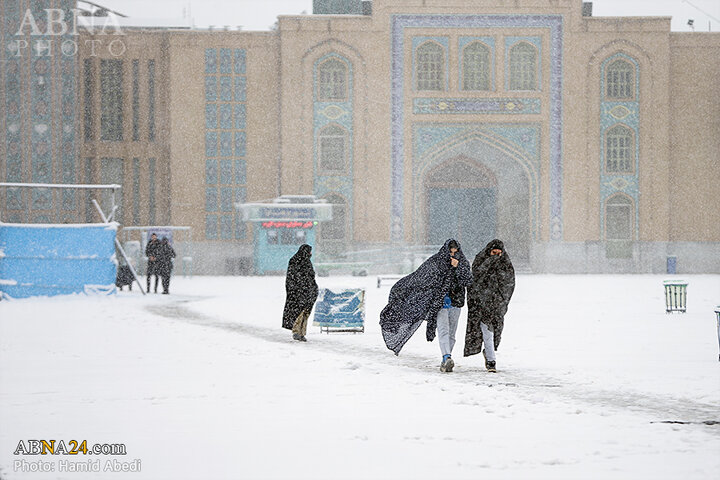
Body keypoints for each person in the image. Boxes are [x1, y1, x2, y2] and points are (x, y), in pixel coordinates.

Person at [380, 239, 471, 357]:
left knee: (452, 334)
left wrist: (457, 267)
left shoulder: (463, 263)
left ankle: (448, 354)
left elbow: (467, 280)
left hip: (456, 302)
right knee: (444, 330)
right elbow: (421, 277)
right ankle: (446, 356)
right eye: (450, 253)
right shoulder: (436, 262)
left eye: (455, 252)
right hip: (440, 302)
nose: (453, 255)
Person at [464, 239, 516, 373]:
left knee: (496, 331)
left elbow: (509, 281)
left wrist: (502, 299)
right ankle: (491, 361)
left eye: (499, 253)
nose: (496, 256)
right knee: (487, 331)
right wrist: (490, 261)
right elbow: (476, 276)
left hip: (497, 304)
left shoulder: (505, 263)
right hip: (482, 303)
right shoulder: (481, 259)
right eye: (493, 253)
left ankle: (489, 352)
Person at [282, 244, 319, 342]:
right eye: (309, 251)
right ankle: (296, 332)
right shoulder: (295, 261)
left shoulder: (306, 261)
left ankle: (302, 332)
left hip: (308, 292)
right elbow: (294, 277)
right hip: (298, 292)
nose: (311, 254)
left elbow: (310, 277)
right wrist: (299, 288)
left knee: (305, 313)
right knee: (298, 312)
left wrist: (313, 288)